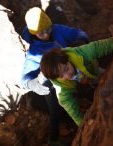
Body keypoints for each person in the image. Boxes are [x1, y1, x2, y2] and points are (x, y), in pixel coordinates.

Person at [21, 7, 89, 146]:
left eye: (48, 29)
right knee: (55, 110)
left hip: (69, 69)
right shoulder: (34, 52)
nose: (46, 34)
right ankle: (53, 140)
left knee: (86, 84)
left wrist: (80, 42)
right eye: (41, 33)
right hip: (51, 83)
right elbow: (24, 79)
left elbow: (78, 33)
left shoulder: (57, 30)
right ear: (34, 33)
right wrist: (33, 84)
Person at [40, 38, 113, 126]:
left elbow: (97, 48)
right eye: (61, 76)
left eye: (66, 69)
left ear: (68, 59)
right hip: (80, 86)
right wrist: (82, 124)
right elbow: (68, 104)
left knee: (111, 79)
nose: (67, 75)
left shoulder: (78, 54)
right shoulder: (61, 86)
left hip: (92, 71)